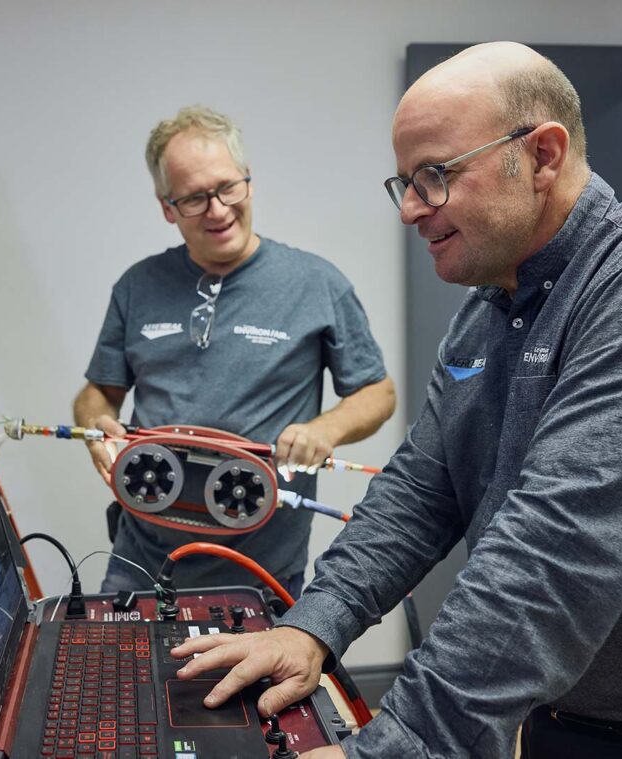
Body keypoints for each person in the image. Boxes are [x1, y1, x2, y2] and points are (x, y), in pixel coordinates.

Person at [171, 42, 622, 758]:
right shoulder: (487, 309)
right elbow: (419, 489)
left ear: (542, 155)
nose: (411, 208)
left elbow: (557, 547)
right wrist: (311, 624)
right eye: (405, 182)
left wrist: (400, 741)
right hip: (555, 718)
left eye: (435, 176)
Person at [73, 105, 395, 596]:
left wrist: (324, 429)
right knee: (118, 675)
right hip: (139, 562)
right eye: (195, 198)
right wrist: (96, 428)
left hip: (262, 573)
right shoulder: (137, 287)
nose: (219, 210)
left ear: (249, 180)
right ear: (167, 207)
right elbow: (99, 393)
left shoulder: (316, 284)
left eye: (228, 187)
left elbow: (377, 392)